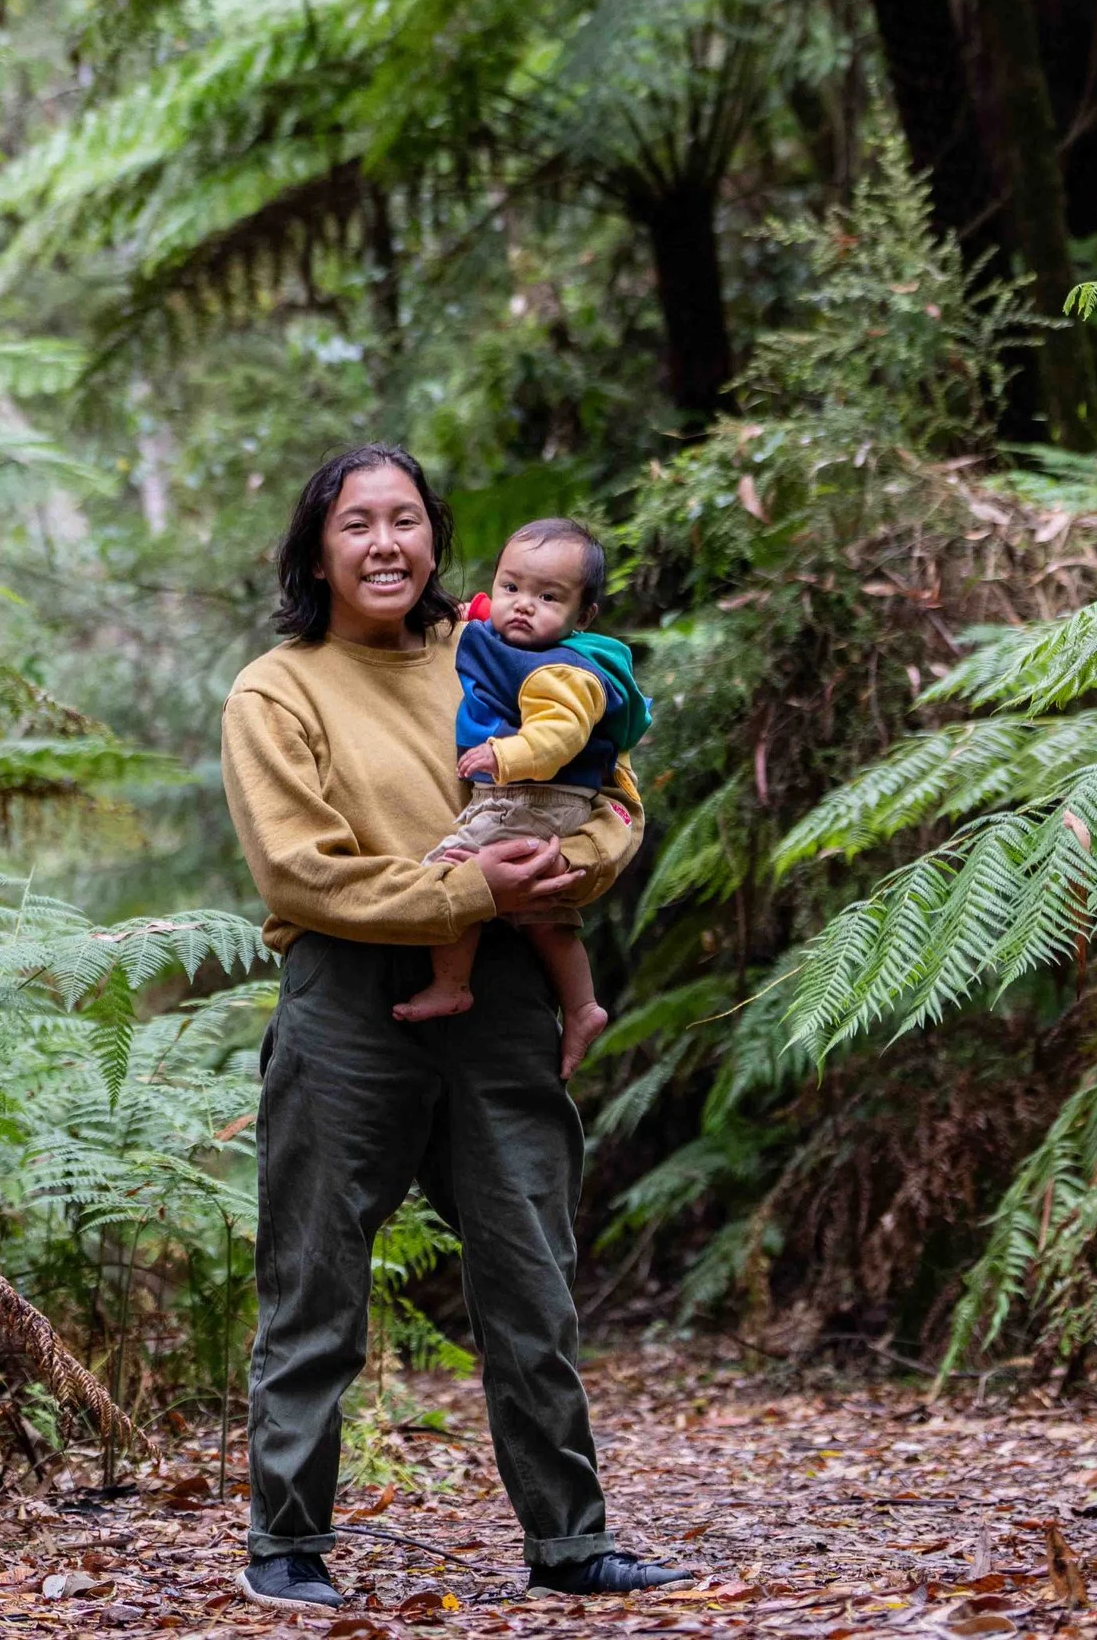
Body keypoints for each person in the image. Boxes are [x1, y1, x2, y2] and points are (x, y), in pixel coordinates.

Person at [220, 444, 686, 1613]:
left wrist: (562, 867)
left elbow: (615, 792)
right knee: (314, 1273)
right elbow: (298, 867)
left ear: (436, 538)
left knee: (531, 1273)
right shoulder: (279, 687)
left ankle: (569, 1540)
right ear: (316, 548)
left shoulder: (502, 643)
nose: (386, 541)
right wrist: (471, 894)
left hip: (506, 995)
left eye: (408, 519)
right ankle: (287, 1543)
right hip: (347, 1001)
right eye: (357, 521)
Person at [391, 517, 649, 1080]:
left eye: (547, 597)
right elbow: (479, 613)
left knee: (452, 874)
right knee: (543, 915)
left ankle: (452, 983)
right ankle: (583, 1007)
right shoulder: (502, 634)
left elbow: (560, 734)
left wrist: (505, 756)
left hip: (532, 793)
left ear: (583, 618)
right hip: (541, 799)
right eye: (512, 588)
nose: (522, 606)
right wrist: (468, 611)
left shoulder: (563, 671)